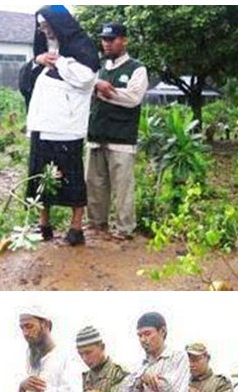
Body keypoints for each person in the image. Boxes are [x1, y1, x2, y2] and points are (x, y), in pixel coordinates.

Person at [22, 6, 100, 246]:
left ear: (60, 23)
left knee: (72, 179)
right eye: (40, 27)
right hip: (41, 127)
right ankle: (43, 224)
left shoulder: (81, 47)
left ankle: (76, 229)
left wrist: (59, 62)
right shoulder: (44, 51)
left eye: (46, 25)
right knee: (39, 179)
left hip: (67, 129)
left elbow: (87, 77)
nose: (43, 30)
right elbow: (26, 81)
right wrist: (38, 60)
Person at [85, 22, 148, 240]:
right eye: (104, 39)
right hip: (96, 136)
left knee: (123, 189)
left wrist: (103, 91)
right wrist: (96, 84)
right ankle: (96, 224)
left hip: (121, 139)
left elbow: (133, 98)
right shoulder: (100, 69)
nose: (107, 43)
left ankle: (124, 229)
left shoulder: (136, 68)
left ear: (124, 40)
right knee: (94, 185)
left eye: (111, 39)